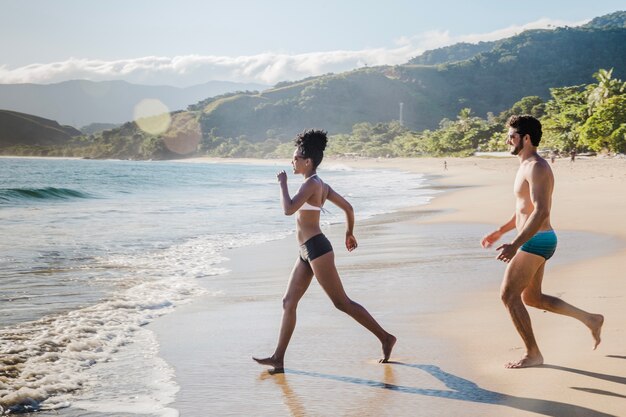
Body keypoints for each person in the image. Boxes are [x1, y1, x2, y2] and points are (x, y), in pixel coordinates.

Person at [253, 129, 396, 373]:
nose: (292, 162)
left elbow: (288, 209)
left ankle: (385, 337)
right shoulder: (321, 185)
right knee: (288, 302)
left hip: (317, 249)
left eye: (296, 158)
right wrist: (349, 233)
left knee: (342, 303)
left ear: (308, 161)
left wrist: (282, 183)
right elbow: (349, 208)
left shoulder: (311, 184)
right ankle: (278, 358)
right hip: (305, 252)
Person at [481, 115, 604, 369]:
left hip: (536, 240)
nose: (508, 140)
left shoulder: (537, 166)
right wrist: (500, 231)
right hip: (536, 239)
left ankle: (533, 354)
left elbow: (541, 211)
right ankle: (590, 319)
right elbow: (523, 209)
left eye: (512, 136)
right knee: (532, 298)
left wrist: (515, 244)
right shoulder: (524, 166)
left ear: (526, 138)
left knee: (509, 295)